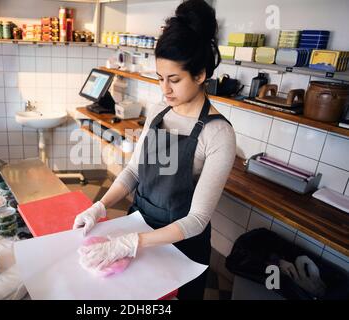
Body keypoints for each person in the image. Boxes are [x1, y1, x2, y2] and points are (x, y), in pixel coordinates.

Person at [74, 0, 236, 300]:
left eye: (174, 80)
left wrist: (132, 243)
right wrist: (100, 206)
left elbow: (197, 220)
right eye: (160, 78)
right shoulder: (160, 112)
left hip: (181, 248)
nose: (165, 89)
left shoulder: (219, 134)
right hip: (140, 227)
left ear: (200, 75)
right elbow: (135, 170)